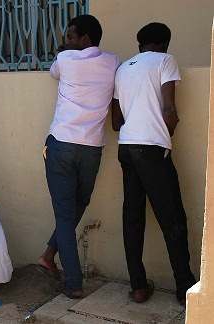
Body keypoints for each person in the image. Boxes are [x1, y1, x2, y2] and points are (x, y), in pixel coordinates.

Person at [112, 22, 196, 305]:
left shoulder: (122, 69)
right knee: (172, 217)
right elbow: (169, 109)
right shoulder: (165, 61)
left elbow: (115, 121)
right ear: (165, 43)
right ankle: (185, 286)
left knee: (132, 217)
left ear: (140, 44)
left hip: (126, 147)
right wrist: (165, 131)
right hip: (152, 149)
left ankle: (137, 286)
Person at [39, 15, 120, 299]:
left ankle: (71, 280)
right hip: (91, 148)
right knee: (77, 205)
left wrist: (65, 51)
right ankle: (52, 257)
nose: (68, 41)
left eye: (71, 36)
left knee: (66, 212)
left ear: (85, 39)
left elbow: (53, 72)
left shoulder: (66, 60)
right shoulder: (112, 61)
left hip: (61, 144)